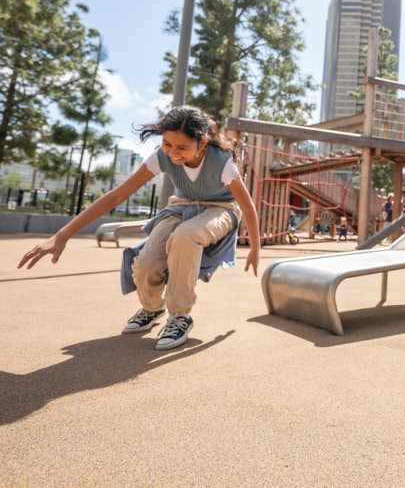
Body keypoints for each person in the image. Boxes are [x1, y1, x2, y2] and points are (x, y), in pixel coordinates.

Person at [18, 106, 261, 351]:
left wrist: (255, 248)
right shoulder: (161, 156)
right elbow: (116, 197)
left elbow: (248, 208)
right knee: (147, 262)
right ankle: (153, 307)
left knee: (185, 236)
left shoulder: (222, 163)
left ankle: (180, 316)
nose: (173, 154)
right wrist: (63, 234)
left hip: (220, 208)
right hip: (181, 206)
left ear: (202, 143)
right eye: (168, 144)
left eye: (182, 148)